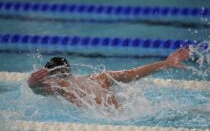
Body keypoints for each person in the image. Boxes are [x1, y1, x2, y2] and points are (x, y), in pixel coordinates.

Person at [28, 48, 189, 109]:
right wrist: (165, 63)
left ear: (50, 75)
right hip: (124, 113)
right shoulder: (99, 77)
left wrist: (31, 83)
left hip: (107, 119)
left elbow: (39, 90)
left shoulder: (60, 85)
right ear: (69, 71)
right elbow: (133, 73)